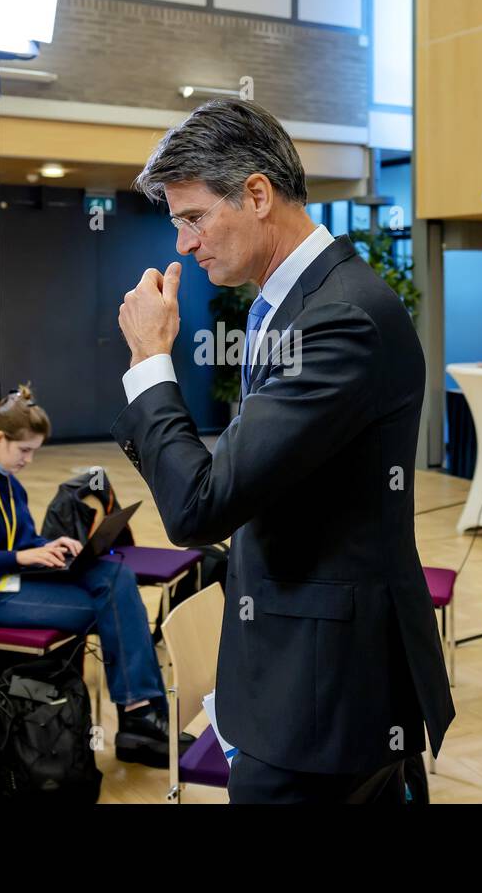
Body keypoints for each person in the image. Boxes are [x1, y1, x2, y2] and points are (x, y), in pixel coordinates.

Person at [111, 98, 455, 804]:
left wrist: (150, 360)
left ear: (258, 194)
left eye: (194, 217)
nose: (184, 244)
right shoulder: (298, 303)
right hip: (308, 669)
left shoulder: (340, 319)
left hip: (322, 696)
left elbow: (201, 505)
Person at [0, 385, 173, 767]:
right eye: (24, 450)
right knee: (114, 606)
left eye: (33, 451)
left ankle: (139, 712)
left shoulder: (7, 480)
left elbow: (22, 540)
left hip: (16, 580)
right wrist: (23, 556)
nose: (29, 459)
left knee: (115, 576)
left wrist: (53, 545)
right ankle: (140, 716)